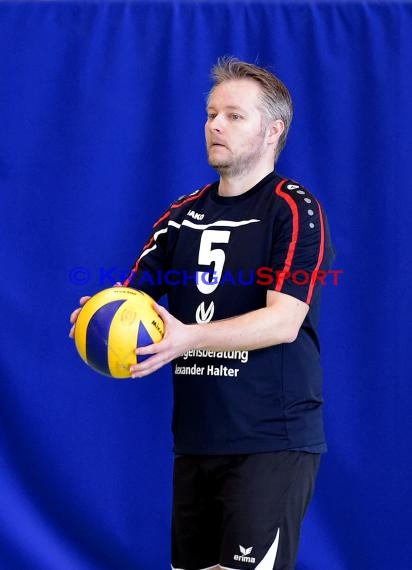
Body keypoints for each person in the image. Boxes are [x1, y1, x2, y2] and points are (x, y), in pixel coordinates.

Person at [70, 57, 334, 570]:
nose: (215, 124)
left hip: (272, 440)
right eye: (211, 113)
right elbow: (132, 300)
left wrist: (188, 337)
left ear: (273, 130)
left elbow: (284, 320)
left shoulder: (293, 209)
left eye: (234, 115)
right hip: (196, 439)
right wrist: (96, 317)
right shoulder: (180, 216)